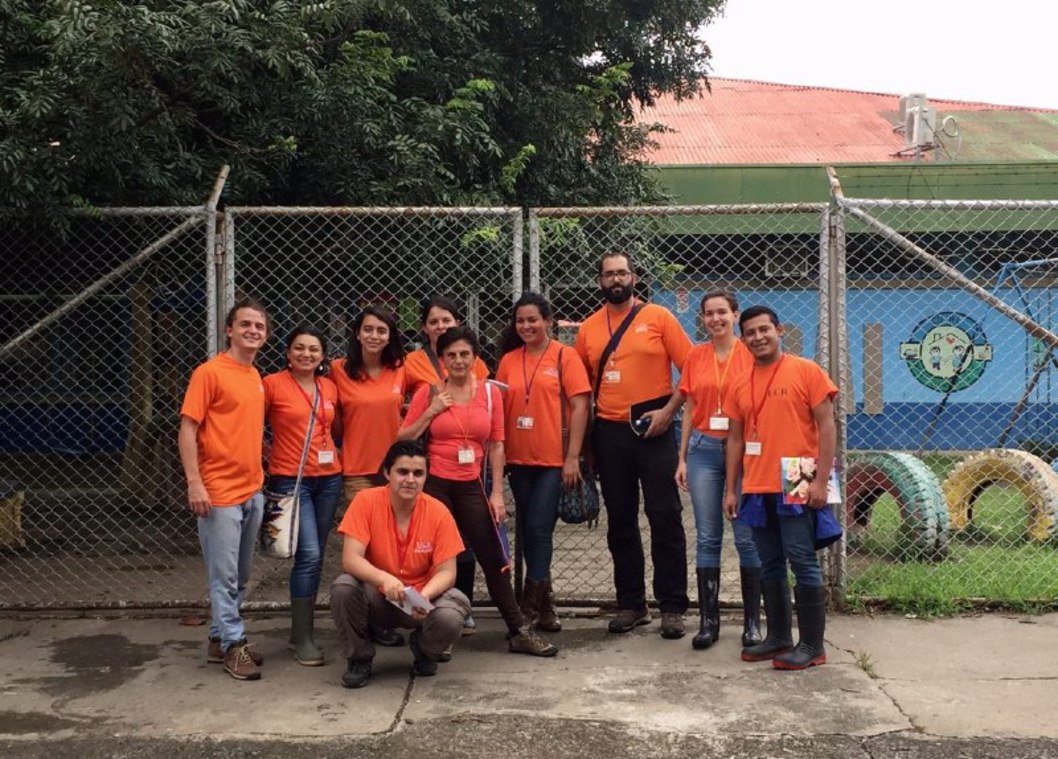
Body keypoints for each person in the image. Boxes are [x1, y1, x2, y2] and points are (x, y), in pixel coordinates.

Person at [399, 325, 557, 656]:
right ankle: (437, 633)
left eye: (464, 354)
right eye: (451, 355)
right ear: (441, 360)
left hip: (472, 483)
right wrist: (431, 412)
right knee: (437, 559)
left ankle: (518, 631)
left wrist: (497, 494)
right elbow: (403, 438)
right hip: (436, 485)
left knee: (493, 556)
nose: (458, 361)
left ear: (474, 358)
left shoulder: (488, 393)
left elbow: (497, 445)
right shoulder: (429, 393)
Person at [574, 251, 693, 639]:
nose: (615, 279)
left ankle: (672, 606)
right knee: (620, 520)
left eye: (622, 272)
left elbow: (691, 369)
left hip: (654, 427)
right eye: (608, 274)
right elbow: (578, 386)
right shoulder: (588, 328)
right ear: (599, 282)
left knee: (664, 515)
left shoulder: (658, 317)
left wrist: (669, 411)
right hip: (609, 432)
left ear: (635, 278)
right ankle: (632, 603)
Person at [722, 305, 838, 670]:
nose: (758, 338)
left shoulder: (806, 371)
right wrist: (731, 489)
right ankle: (778, 637)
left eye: (764, 330)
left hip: (797, 475)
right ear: (743, 339)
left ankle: (812, 646)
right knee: (768, 561)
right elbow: (736, 439)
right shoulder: (739, 382)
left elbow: (828, 426)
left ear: (779, 329)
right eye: (750, 333)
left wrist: (820, 480)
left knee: (802, 559)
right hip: (757, 481)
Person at [178, 297, 270, 681]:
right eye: (245, 324)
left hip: (252, 488)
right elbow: (187, 429)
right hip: (218, 492)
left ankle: (219, 638)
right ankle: (235, 645)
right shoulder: (209, 373)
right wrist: (195, 483)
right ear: (229, 330)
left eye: (259, 327)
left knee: (242, 573)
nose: (252, 331)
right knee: (224, 576)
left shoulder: (254, 375)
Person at [329, 440, 470, 688]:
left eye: (418, 473)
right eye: (402, 472)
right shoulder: (366, 501)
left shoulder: (439, 512)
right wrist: (384, 579)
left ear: (426, 477)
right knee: (343, 587)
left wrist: (423, 597)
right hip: (379, 596)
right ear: (387, 472)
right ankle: (359, 658)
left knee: (455, 609)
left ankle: (425, 649)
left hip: (421, 600)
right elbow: (350, 559)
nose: (410, 480)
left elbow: (448, 572)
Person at [495, 293, 590, 631]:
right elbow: (500, 409)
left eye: (533, 319)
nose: (526, 326)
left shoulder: (566, 357)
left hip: (553, 461)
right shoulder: (508, 360)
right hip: (519, 460)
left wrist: (572, 457)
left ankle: (530, 605)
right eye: (520, 320)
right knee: (530, 532)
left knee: (538, 528)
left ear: (548, 321)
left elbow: (580, 407)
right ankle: (546, 607)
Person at [674, 291, 762, 651]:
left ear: (735, 315)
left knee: (746, 537)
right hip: (704, 450)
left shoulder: (751, 352)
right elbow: (690, 408)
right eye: (709, 313)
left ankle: (753, 622)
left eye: (722, 312)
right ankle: (708, 621)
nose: (715, 319)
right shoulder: (696, 355)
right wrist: (681, 458)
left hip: (744, 452)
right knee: (708, 536)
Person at [403, 296, 489, 632]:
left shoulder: (476, 365)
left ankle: (460, 604)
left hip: (471, 469)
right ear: (425, 327)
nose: (441, 326)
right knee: (430, 540)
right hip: (430, 466)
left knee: (465, 541)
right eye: (434, 321)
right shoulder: (411, 363)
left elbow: (483, 405)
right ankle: (424, 605)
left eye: (447, 320)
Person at [262, 325, 343, 666]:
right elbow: (253, 425)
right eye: (299, 348)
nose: (306, 354)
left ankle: (302, 629)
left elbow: (334, 429)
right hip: (291, 480)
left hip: (329, 478)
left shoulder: (329, 386)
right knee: (308, 554)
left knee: (317, 553)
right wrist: (265, 455)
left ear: (323, 356)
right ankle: (302, 637)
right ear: (288, 353)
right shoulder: (272, 384)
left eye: (313, 349)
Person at [330, 306, 408, 649]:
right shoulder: (336, 370)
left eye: (382, 330)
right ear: (357, 333)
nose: (375, 335)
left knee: (390, 551)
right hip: (358, 473)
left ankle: (384, 618)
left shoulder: (401, 369)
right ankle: (363, 622)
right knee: (364, 553)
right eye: (369, 329)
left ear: (390, 336)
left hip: (393, 473)